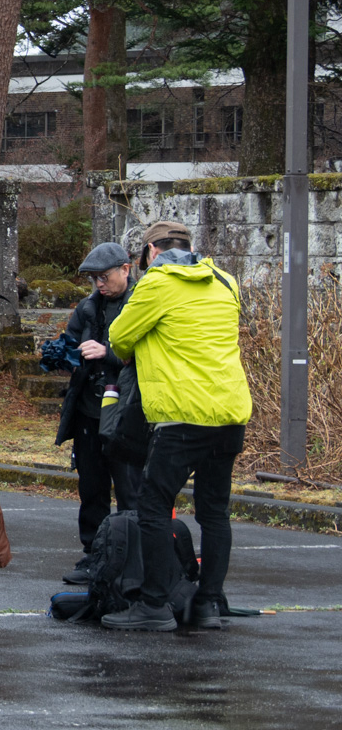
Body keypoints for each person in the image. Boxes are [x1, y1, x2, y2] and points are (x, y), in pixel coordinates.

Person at [102, 225, 251, 631]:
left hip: (182, 415)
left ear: (151, 251)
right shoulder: (225, 280)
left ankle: (153, 604)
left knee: (153, 504)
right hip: (231, 410)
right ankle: (207, 603)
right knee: (214, 511)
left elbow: (118, 339)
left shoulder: (158, 283)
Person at [51, 240, 139, 581]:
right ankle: (94, 555)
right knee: (91, 488)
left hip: (126, 410)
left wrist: (107, 353)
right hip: (89, 408)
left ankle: (132, 555)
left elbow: (145, 354)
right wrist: (60, 355)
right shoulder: (88, 308)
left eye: (104, 277)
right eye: (94, 279)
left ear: (126, 269)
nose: (100, 284)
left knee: (130, 488)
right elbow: (73, 342)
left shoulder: (140, 304)